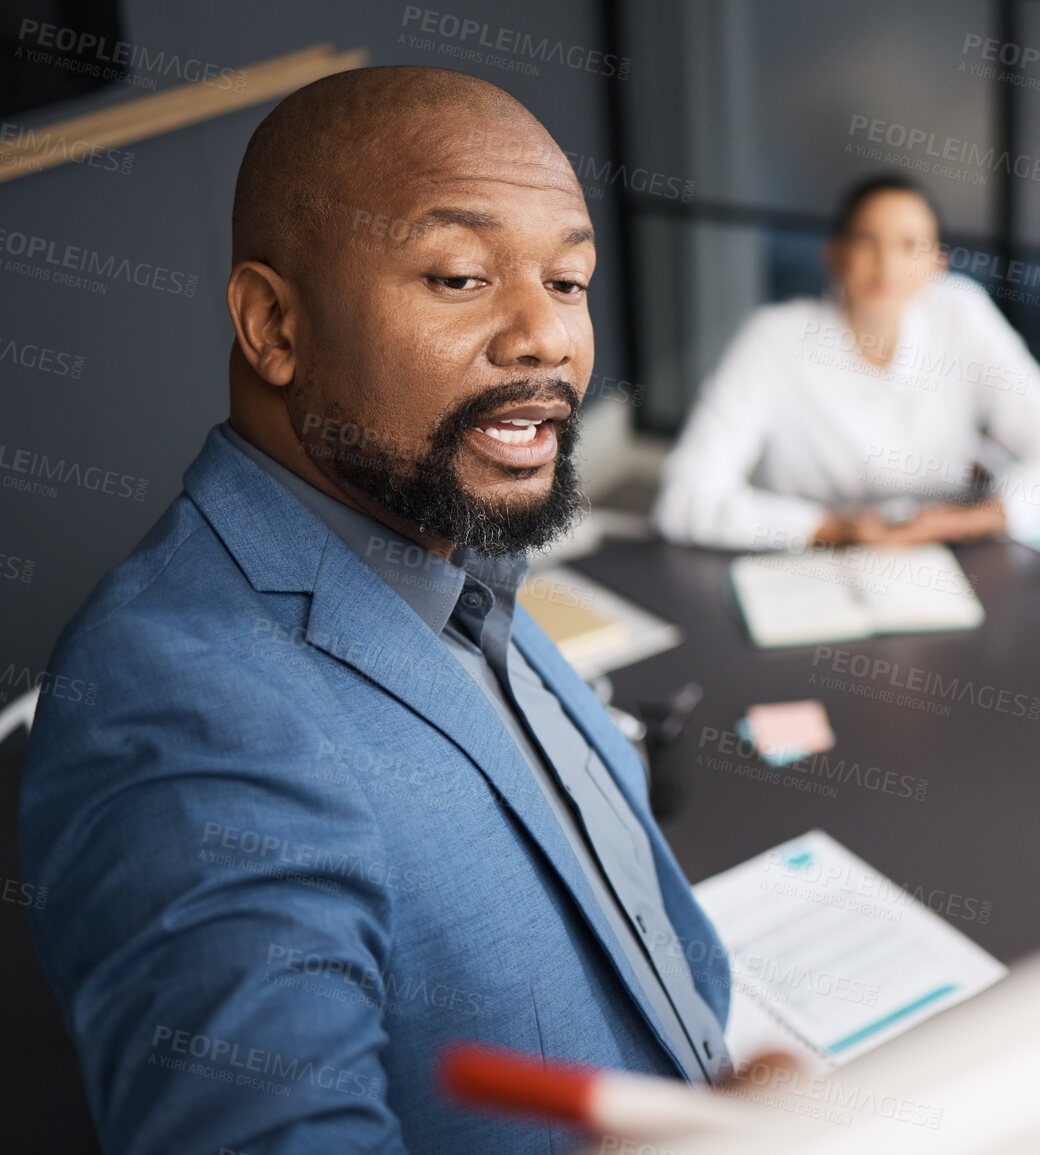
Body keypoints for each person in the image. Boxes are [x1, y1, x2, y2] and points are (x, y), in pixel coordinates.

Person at [19, 67, 733, 1155]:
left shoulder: (452, 556)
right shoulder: (177, 711)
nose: (547, 337)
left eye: (571, 281)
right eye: (458, 276)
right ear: (272, 324)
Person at [652, 174, 1040, 551]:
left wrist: (977, 519)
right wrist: (826, 529)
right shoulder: (774, 338)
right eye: (868, 242)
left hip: (943, 550)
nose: (886, 264)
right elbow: (684, 498)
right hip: (808, 557)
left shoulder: (961, 315)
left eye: (910, 246)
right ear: (835, 254)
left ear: (936, 264)